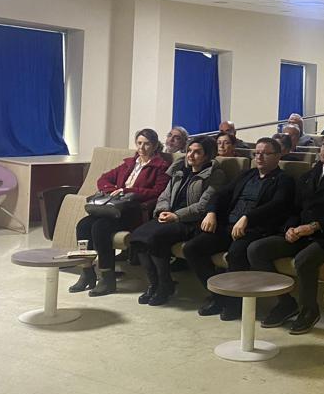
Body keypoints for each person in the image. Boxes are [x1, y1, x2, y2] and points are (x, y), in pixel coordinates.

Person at [248, 128, 324, 334]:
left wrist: (314, 226)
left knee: (304, 260)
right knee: (256, 250)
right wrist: (290, 228)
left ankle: (309, 310)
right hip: (300, 233)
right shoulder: (310, 175)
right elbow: (295, 209)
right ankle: (285, 303)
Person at [183, 138, 294, 320]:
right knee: (192, 248)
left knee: (236, 254)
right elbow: (221, 194)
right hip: (228, 225)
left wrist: (248, 218)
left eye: (265, 153)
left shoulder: (284, 180)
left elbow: (277, 204)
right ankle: (218, 297)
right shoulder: (247, 174)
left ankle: (234, 304)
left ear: (277, 156)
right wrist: (211, 212)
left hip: (256, 229)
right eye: (257, 153)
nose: (259, 157)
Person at [126, 137, 226, 306]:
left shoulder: (215, 174)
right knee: (137, 237)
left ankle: (165, 285)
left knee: (155, 238)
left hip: (191, 221)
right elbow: (164, 195)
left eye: (197, 152)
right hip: (170, 216)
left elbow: (203, 206)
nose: (191, 155)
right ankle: (154, 284)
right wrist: (163, 211)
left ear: (207, 155)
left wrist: (176, 216)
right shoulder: (180, 170)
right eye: (189, 151)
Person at [71, 129, 171, 297]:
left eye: (147, 144)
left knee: (100, 227)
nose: (142, 147)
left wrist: (127, 191)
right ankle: (87, 272)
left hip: (133, 211)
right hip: (113, 207)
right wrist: (113, 190)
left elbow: (158, 192)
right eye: (139, 143)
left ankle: (107, 278)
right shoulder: (129, 163)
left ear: (155, 146)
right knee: (83, 225)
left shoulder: (161, 167)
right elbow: (103, 179)